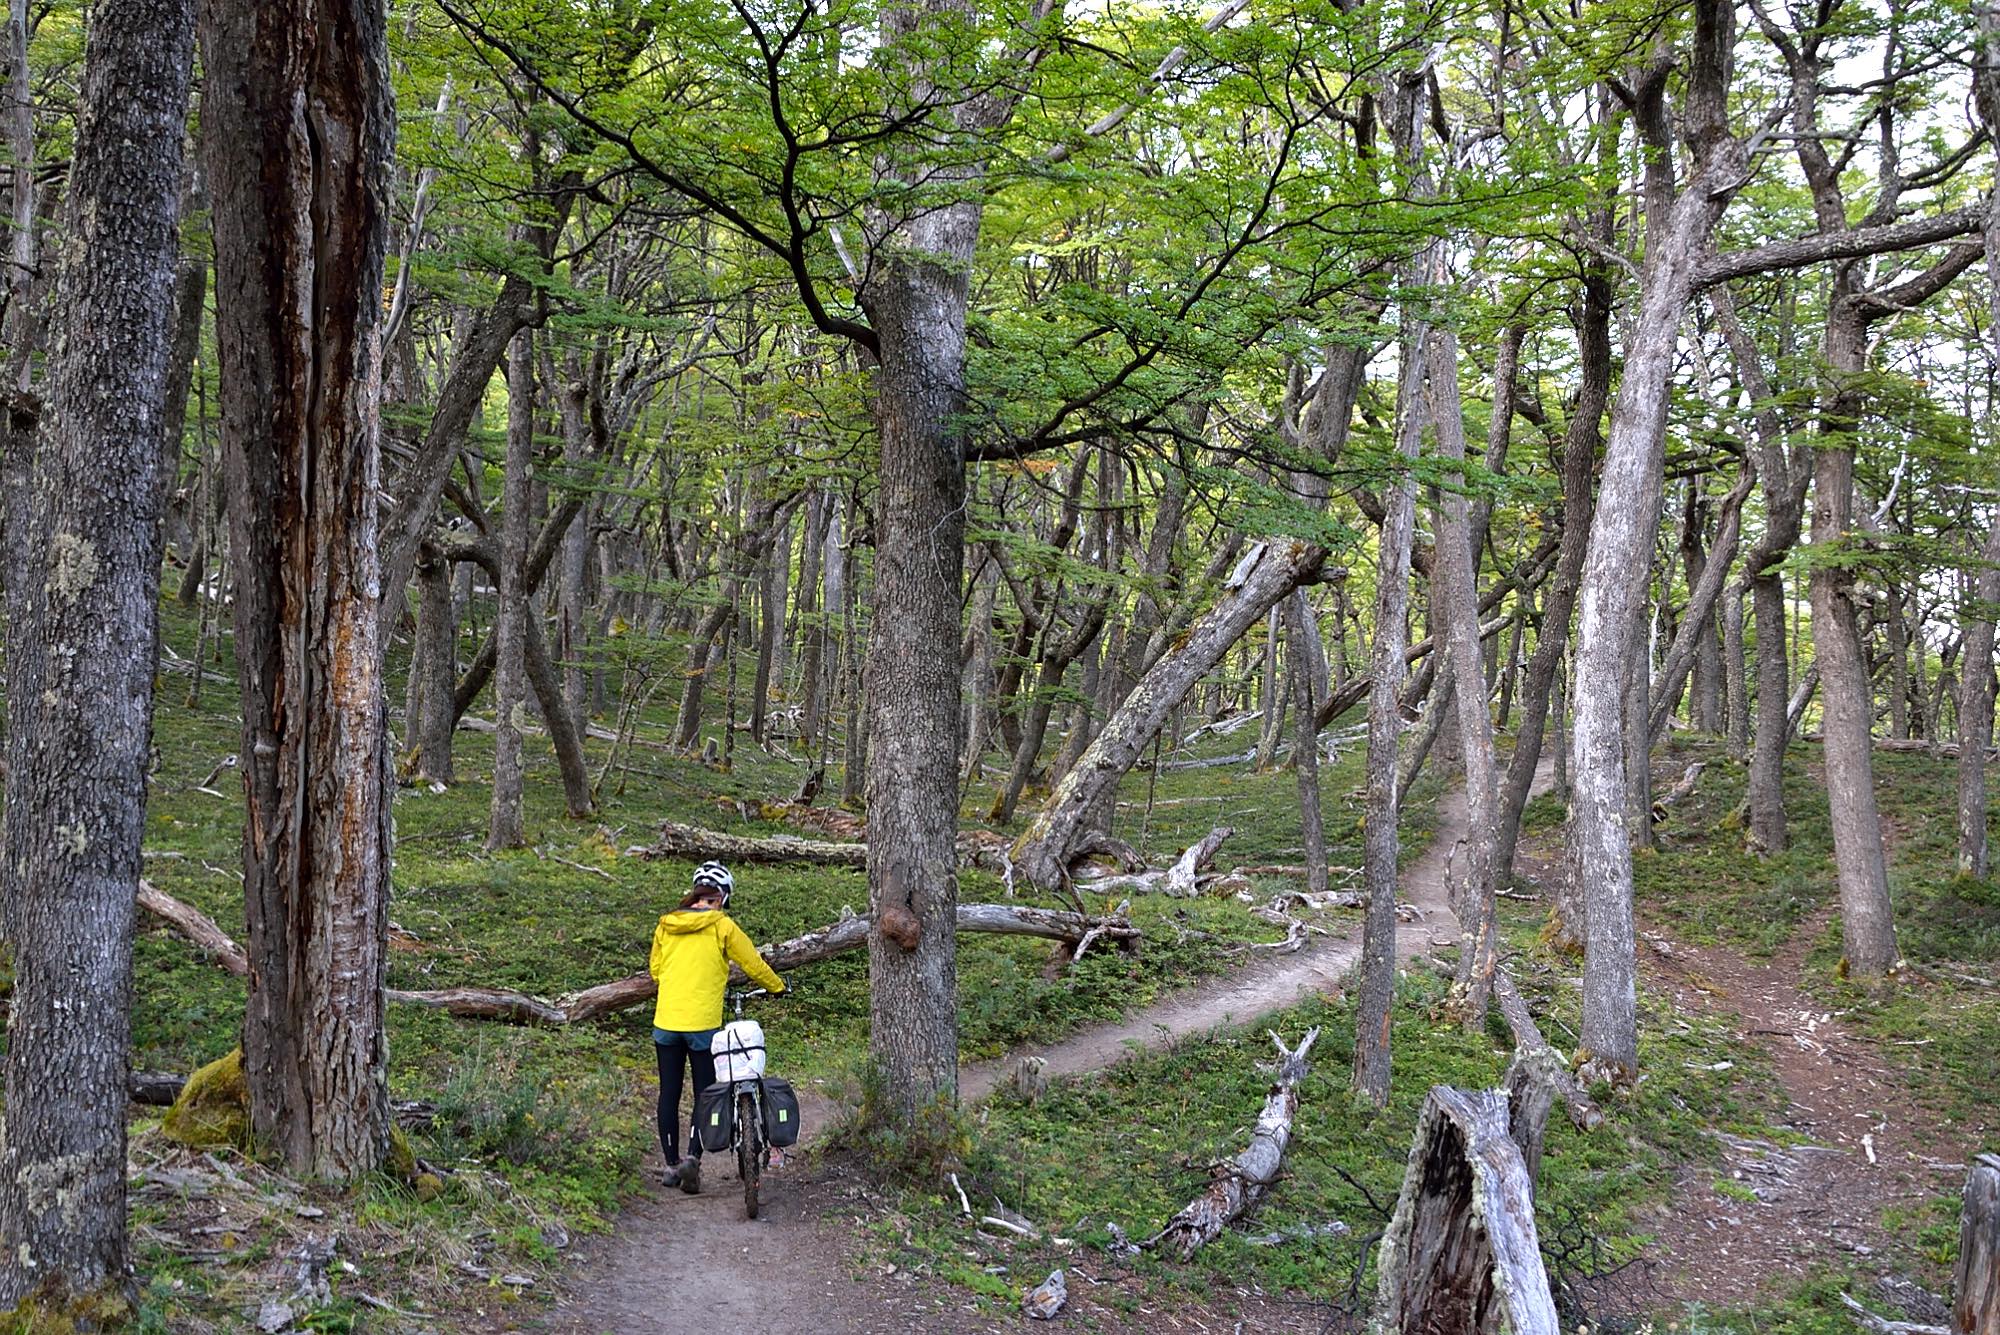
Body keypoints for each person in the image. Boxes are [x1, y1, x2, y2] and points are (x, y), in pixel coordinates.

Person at [649, 860, 785, 1194]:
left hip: (666, 1021)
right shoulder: (722, 925)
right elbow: (752, 962)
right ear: (722, 897)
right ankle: (692, 1158)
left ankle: (670, 1166)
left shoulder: (667, 924)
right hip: (703, 1025)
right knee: (704, 1093)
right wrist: (777, 986)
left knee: (668, 1091)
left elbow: (655, 970)